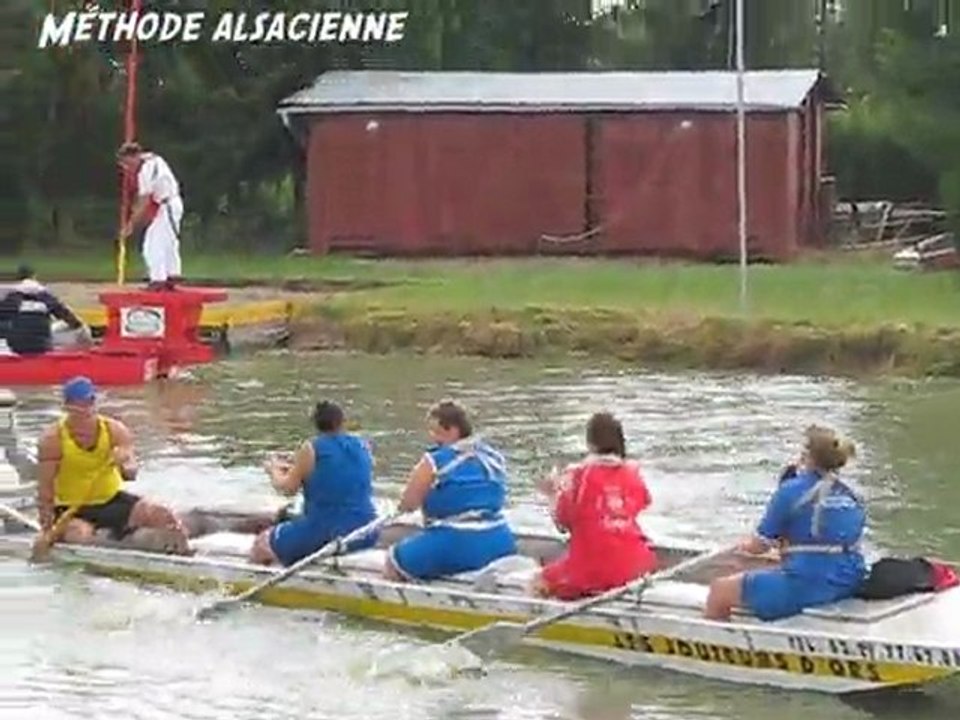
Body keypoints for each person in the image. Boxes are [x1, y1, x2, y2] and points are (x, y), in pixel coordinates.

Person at [704, 425, 866, 622]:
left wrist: (742, 545)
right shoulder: (850, 494)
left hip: (811, 582)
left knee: (720, 591)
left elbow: (759, 546)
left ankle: (715, 639)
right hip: (850, 578)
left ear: (808, 456)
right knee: (771, 567)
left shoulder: (791, 490)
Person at [32, 376, 191, 558]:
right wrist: (47, 528)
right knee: (79, 535)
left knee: (163, 515)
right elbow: (45, 490)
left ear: (94, 404)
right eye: (77, 410)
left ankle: (186, 553)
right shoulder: (52, 439)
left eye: (87, 407)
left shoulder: (114, 430)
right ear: (67, 408)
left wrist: (125, 462)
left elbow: (131, 474)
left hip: (111, 501)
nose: (83, 416)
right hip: (71, 509)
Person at [384, 400, 516, 582]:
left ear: (453, 430)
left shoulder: (434, 460)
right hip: (500, 540)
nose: (433, 437)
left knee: (392, 564)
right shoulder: (494, 458)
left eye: (437, 431)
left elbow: (409, 503)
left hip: (457, 540)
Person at [532, 412, 658, 600]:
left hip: (592, 567)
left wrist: (552, 494)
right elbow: (641, 502)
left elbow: (563, 524)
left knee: (538, 581)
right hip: (638, 563)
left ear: (590, 444)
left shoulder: (578, 475)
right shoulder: (632, 473)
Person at [250, 400, 378, 566]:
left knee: (261, 544)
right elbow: (337, 472)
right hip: (368, 530)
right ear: (342, 421)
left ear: (316, 424)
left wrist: (273, 469)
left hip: (327, 531)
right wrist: (296, 467)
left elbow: (287, 489)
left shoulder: (311, 448)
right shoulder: (363, 445)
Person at [117, 141, 183, 290]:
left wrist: (130, 225)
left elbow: (144, 201)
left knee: (153, 244)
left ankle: (158, 279)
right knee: (168, 242)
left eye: (127, 163)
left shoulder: (146, 170)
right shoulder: (154, 160)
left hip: (167, 205)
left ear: (134, 157)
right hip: (167, 204)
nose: (127, 167)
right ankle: (171, 275)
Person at [0, 265, 92, 355]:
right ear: (34, 276)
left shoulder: (10, 297)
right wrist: (80, 327)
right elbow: (68, 317)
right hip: (41, 346)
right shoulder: (44, 295)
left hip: (15, 346)